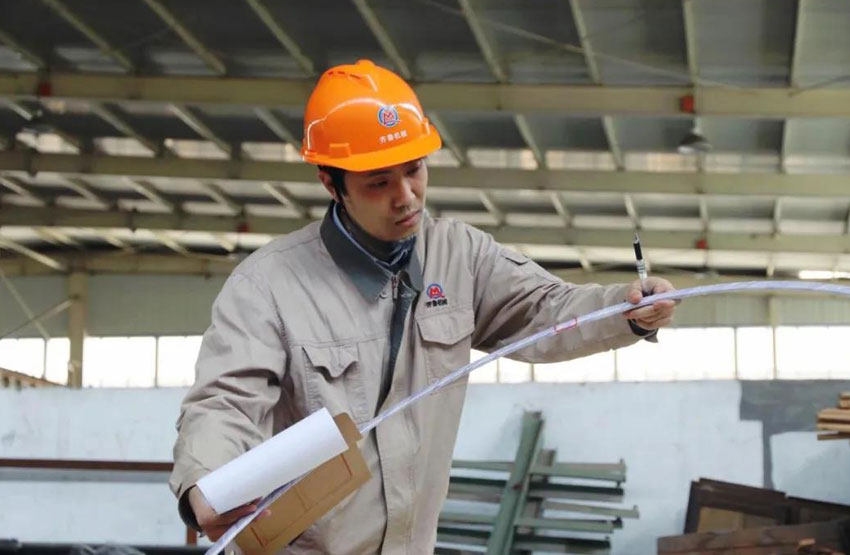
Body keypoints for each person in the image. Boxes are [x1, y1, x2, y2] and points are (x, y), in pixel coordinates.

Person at [169, 59, 677, 553]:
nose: (406, 196)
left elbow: (546, 309)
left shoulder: (462, 257)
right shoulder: (268, 286)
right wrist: (205, 483)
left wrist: (625, 309)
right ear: (331, 183)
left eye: (414, 170)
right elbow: (225, 401)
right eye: (379, 182)